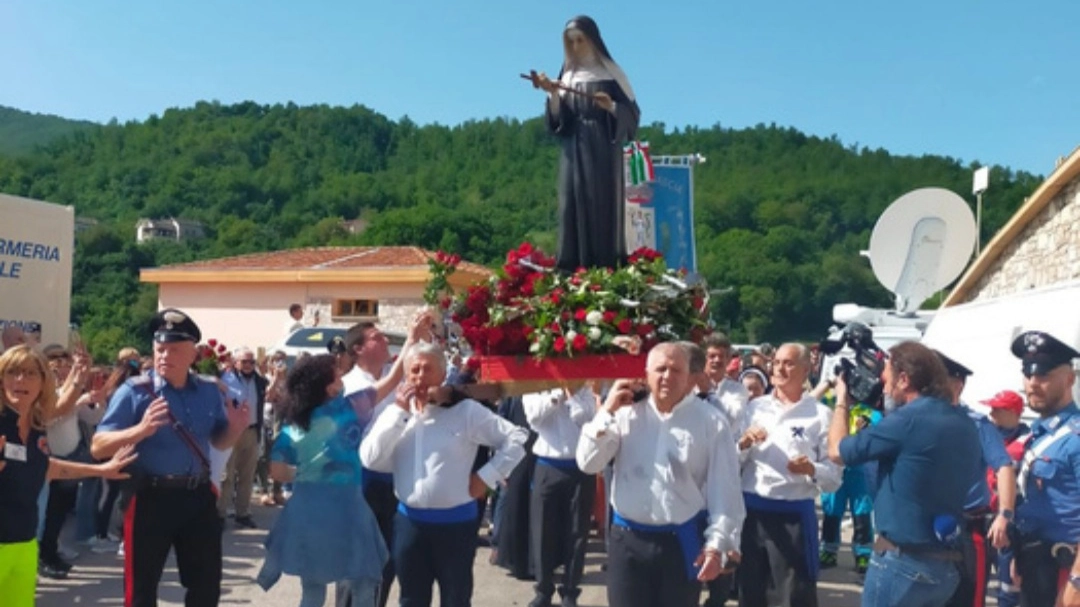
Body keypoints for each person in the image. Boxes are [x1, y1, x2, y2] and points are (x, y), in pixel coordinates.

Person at [92, 308, 251, 607]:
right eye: (160, 349)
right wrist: (139, 430)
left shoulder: (207, 390)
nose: (165, 356)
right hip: (151, 497)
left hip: (198, 497)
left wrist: (236, 428)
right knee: (142, 588)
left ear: (193, 354)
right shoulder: (135, 392)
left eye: (174, 349)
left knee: (205, 586)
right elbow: (98, 446)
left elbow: (218, 441)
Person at [576, 342, 745, 607]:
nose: (667, 376)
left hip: (679, 543)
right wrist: (606, 411)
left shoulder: (711, 422)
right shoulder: (624, 414)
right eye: (660, 369)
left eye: (676, 370)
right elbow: (587, 463)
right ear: (645, 373)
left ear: (690, 375)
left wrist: (716, 544)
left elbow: (725, 491)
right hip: (627, 539)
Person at [360, 342, 527, 607]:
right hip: (408, 526)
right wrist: (399, 413)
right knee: (411, 599)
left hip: (455, 526)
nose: (420, 377)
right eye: (414, 370)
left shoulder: (466, 412)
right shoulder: (395, 412)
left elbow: (517, 438)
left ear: (442, 375)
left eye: (428, 370)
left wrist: (487, 476)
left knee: (456, 599)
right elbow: (370, 458)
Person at [257, 343, 421, 607]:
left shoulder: (293, 424)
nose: (341, 380)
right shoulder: (349, 408)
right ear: (326, 386)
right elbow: (391, 381)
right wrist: (411, 339)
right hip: (349, 509)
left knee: (312, 591)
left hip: (308, 511)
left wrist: (308, 473)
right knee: (363, 584)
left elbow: (277, 471)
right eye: (336, 376)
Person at [827, 341, 982, 607]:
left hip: (902, 560)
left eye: (886, 377)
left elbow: (838, 452)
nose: (883, 385)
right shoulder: (964, 422)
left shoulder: (907, 420)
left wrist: (842, 402)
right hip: (947, 563)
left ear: (904, 379)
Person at [0, 345, 136, 607]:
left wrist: (100, 470)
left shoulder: (37, 421)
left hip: (24, 544)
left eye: (30, 373)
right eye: (12, 372)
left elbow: (46, 466)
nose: (21, 380)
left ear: (43, 381)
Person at [532, 15, 640, 271]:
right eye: (572, 42)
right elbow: (560, 122)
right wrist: (554, 94)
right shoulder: (567, 77)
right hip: (573, 147)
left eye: (581, 40)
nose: (577, 46)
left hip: (603, 146)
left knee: (601, 204)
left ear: (593, 40)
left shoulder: (612, 74)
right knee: (570, 203)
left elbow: (633, 115)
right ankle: (571, 268)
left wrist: (611, 106)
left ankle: (603, 267)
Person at [737, 343, 842, 607]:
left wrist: (811, 469)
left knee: (793, 597)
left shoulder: (820, 415)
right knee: (751, 593)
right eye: (777, 362)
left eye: (788, 363)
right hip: (752, 515)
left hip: (793, 518)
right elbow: (730, 462)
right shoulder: (754, 408)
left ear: (806, 370)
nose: (779, 368)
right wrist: (743, 444)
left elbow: (834, 478)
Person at [934, 351, 1016, 607]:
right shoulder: (919, 420)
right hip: (927, 526)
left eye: (938, 380)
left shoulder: (978, 425)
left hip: (967, 527)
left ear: (957, 384)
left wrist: (1005, 514)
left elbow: (1003, 467)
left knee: (969, 597)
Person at [1008, 331, 1080, 607]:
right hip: (1035, 563)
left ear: (1070, 379)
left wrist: (1076, 582)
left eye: (1045, 375)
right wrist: (1020, 555)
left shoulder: (1075, 437)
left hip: (1066, 571)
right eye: (1028, 374)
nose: (1033, 384)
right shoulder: (1039, 433)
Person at [338, 320, 401, 607]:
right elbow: (375, 396)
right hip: (360, 484)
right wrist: (411, 338)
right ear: (359, 349)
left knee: (385, 564)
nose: (386, 339)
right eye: (377, 337)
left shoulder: (394, 375)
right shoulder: (349, 385)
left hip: (394, 482)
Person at [523, 385, 597, 607]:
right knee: (543, 530)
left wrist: (572, 394)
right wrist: (557, 393)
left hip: (581, 467)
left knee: (577, 532)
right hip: (548, 465)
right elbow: (534, 419)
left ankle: (570, 591)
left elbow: (587, 420)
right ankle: (544, 589)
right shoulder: (535, 388)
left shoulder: (584, 390)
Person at [819, 392, 880, 575]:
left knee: (861, 511)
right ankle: (828, 550)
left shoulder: (870, 413)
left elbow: (878, 432)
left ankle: (863, 552)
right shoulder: (829, 404)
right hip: (835, 468)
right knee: (832, 510)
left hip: (859, 470)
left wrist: (867, 429)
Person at [980, 390, 1028, 607]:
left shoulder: (1028, 442)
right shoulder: (988, 436)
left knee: (1009, 584)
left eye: (996, 409)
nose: (991, 414)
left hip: (1011, 522)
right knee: (977, 579)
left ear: (1011, 412)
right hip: (983, 517)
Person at [218, 346, 269, 529]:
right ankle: (220, 514)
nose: (248, 365)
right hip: (230, 431)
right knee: (227, 475)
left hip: (251, 431)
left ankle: (243, 513)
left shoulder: (260, 381)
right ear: (235, 362)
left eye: (251, 362)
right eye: (244, 361)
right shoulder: (224, 378)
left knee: (248, 475)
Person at [702, 333, 752, 437]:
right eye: (712, 356)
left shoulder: (738, 390)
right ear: (704, 358)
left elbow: (731, 422)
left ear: (728, 360)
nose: (717, 360)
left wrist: (709, 391)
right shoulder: (692, 386)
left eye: (721, 356)